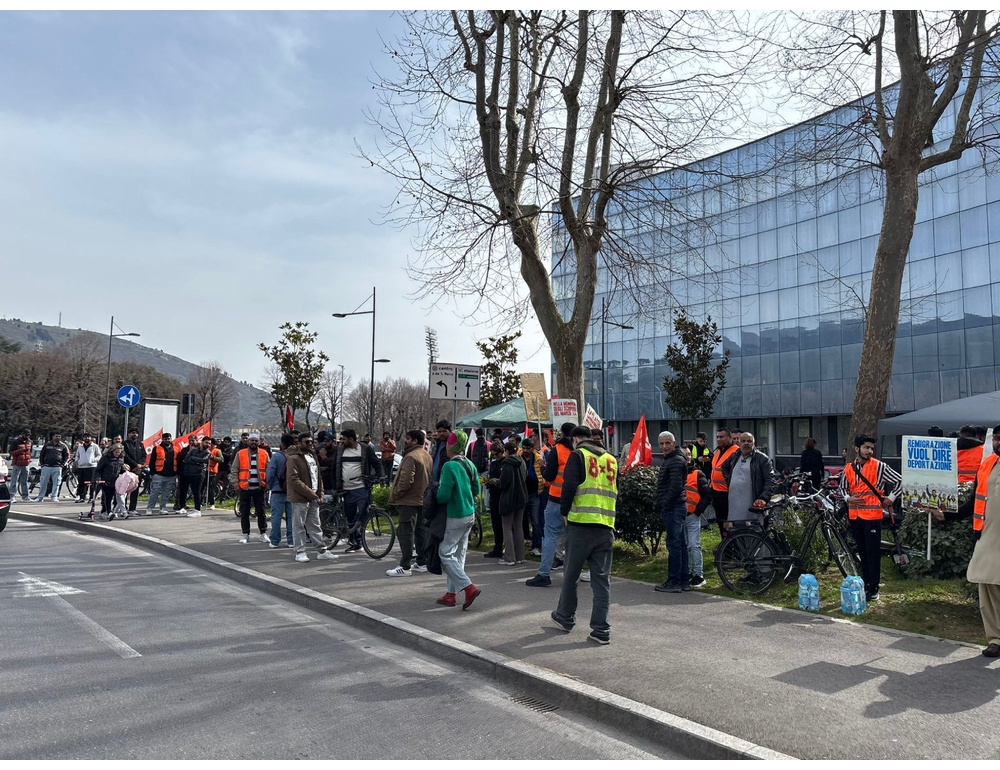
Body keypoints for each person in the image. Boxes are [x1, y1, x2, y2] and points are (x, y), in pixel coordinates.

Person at [550, 425, 618, 645]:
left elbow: (568, 486)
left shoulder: (578, 455)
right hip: (606, 526)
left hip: (580, 525)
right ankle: (601, 629)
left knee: (571, 576)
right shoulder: (611, 459)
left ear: (575, 440)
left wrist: (564, 512)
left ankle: (565, 617)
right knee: (601, 582)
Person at [840, 434, 901, 603]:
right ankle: (865, 584)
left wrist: (891, 498)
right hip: (855, 515)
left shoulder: (879, 466)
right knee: (861, 551)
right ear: (856, 449)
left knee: (872, 553)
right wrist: (847, 499)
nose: (869, 451)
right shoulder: (849, 468)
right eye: (866, 447)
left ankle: (873, 588)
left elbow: (900, 481)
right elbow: (842, 488)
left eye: (871, 448)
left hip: (873, 516)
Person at [434, 431, 481, 609]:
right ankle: (451, 594)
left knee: (445, 553)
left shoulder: (449, 467)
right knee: (459, 554)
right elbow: (476, 490)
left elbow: (443, 496)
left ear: (451, 446)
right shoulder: (470, 464)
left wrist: (435, 495)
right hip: (469, 513)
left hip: (455, 514)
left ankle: (468, 587)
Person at [527, 422, 576, 587]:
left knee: (550, 537)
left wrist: (542, 467)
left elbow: (549, 476)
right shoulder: (580, 451)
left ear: (561, 434)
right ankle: (571, 574)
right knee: (572, 539)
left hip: (556, 499)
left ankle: (543, 574)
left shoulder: (558, 450)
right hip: (576, 501)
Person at [966, 426, 1000, 657]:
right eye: (997, 438)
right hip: (987, 535)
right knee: (986, 586)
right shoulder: (988, 464)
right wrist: (945, 513)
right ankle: (996, 639)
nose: (999, 442)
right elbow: (972, 502)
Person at [285, 432, 338, 563]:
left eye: (311, 441)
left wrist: (320, 493)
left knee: (315, 525)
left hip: (313, 497)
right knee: (299, 526)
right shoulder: (294, 458)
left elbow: (318, 477)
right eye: (306, 442)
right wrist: (312, 494)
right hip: (300, 498)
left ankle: (322, 550)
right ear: (299, 443)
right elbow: (293, 480)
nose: (310, 444)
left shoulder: (312, 456)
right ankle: (300, 552)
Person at [386, 429, 433, 576]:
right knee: (421, 532)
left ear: (414, 441)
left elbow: (406, 480)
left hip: (409, 500)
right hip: (422, 499)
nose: (404, 441)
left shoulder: (410, 456)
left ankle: (405, 566)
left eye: (407, 438)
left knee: (406, 532)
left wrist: (397, 493)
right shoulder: (426, 455)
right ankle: (422, 561)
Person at [335, 428, 384, 552]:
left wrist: (381, 476)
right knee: (350, 517)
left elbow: (376, 463)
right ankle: (354, 542)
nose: (342, 441)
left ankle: (360, 539)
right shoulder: (340, 450)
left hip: (361, 488)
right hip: (346, 489)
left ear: (351, 439)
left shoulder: (364, 449)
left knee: (362, 513)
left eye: (344, 439)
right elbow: (334, 467)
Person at [654, 431, 690, 593]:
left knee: (674, 544)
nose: (664, 446)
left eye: (667, 443)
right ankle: (683, 580)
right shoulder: (673, 459)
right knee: (680, 544)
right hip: (676, 506)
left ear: (674, 443)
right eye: (661, 444)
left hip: (674, 507)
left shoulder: (675, 460)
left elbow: (675, 486)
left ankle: (675, 581)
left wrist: (665, 504)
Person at [721, 432, 777, 527]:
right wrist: (730, 479)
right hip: (734, 504)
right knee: (735, 530)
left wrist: (763, 498)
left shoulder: (762, 459)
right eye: (743, 441)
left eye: (749, 441)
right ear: (739, 443)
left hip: (752, 504)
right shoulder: (735, 456)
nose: (746, 443)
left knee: (752, 531)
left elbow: (770, 479)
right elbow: (724, 467)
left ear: (754, 443)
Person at [683, 446, 712, 587]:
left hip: (692, 515)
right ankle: (688, 573)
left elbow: (707, 494)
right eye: (685, 455)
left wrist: (698, 511)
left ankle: (699, 575)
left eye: (689, 454)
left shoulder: (697, 473)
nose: (688, 457)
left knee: (694, 545)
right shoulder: (677, 472)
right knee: (685, 546)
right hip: (680, 516)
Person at [234, 432, 269, 543]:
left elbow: (269, 470)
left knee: (261, 512)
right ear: (248, 441)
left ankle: (263, 533)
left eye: (256, 440)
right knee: (244, 512)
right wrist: (235, 484)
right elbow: (234, 470)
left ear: (259, 442)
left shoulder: (264, 453)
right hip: (245, 488)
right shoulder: (240, 453)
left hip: (259, 488)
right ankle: (245, 534)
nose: (253, 442)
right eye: (251, 440)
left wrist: (267, 484)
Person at [499, 441, 528, 566]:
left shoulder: (507, 464)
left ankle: (509, 557)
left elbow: (504, 483)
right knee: (518, 526)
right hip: (522, 496)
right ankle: (520, 555)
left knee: (507, 526)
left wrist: (495, 482)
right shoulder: (522, 462)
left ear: (506, 451)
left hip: (509, 497)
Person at [709, 427, 739, 534]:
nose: (719, 439)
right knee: (721, 522)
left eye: (722, 437)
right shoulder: (718, 451)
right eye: (717, 437)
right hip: (716, 492)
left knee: (728, 522)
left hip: (727, 494)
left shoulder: (735, 451)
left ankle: (730, 545)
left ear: (730, 437)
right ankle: (725, 544)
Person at [266, 434, 294, 548]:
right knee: (292, 517)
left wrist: (271, 486)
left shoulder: (277, 456)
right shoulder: (296, 456)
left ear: (282, 443)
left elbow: (270, 473)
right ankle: (291, 540)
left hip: (278, 490)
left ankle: (275, 540)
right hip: (292, 491)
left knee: (276, 516)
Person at [521, 439, 545, 556]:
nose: (525, 451)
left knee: (535, 521)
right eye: (524, 448)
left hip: (534, 493)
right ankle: (519, 544)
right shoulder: (518, 457)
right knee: (520, 520)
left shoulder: (538, 458)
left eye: (528, 448)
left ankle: (536, 546)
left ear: (532, 448)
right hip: (521, 493)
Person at [174, 437, 210, 515]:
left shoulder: (207, 452)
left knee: (196, 492)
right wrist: (196, 460)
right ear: (202, 442)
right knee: (183, 490)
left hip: (199, 473)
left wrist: (193, 458)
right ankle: (182, 507)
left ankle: (197, 510)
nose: (208, 445)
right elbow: (185, 459)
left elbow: (203, 460)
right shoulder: (193, 450)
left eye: (209, 443)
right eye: (206, 442)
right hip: (187, 472)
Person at [482, 442, 505, 558]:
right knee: (495, 523)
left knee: (503, 524)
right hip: (494, 494)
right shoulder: (494, 463)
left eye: (497, 454)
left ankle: (504, 546)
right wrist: (487, 481)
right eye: (494, 454)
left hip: (502, 495)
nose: (495, 457)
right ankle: (497, 547)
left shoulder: (505, 463)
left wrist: (497, 481)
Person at [145, 433, 178, 515]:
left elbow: (178, 461)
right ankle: (150, 508)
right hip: (159, 474)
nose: (167, 440)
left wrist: (176, 473)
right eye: (165, 438)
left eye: (169, 438)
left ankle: (162, 508)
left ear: (171, 439)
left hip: (171, 474)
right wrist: (153, 473)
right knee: (155, 492)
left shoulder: (176, 449)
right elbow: (152, 461)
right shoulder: (156, 448)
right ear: (162, 439)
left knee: (166, 493)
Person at [95, 444, 125, 520]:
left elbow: (121, 470)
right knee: (108, 497)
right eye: (116, 452)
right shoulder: (105, 458)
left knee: (117, 497)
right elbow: (98, 469)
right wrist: (98, 478)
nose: (117, 454)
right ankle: (108, 511)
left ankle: (114, 511)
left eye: (119, 452)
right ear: (112, 451)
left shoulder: (121, 459)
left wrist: (126, 470)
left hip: (116, 481)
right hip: (106, 480)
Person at [121, 428, 145, 514]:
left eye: (136, 433)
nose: (134, 434)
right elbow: (126, 456)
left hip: (138, 470)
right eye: (132, 433)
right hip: (128, 470)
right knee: (125, 490)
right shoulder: (124, 444)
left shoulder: (140, 444)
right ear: (128, 434)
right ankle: (122, 508)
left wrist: (140, 465)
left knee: (135, 489)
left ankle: (132, 509)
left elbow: (144, 455)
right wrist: (135, 465)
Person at [73, 433, 101, 503]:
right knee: (81, 482)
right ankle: (81, 496)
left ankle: (91, 497)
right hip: (81, 466)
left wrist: (93, 460)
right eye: (85, 437)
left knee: (92, 482)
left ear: (91, 438)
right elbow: (77, 455)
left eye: (88, 437)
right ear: (83, 438)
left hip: (92, 466)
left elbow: (99, 455)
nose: (87, 438)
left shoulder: (95, 446)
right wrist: (78, 461)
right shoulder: (80, 447)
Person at [8, 430, 31, 502]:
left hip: (26, 464)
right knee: (14, 481)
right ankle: (12, 496)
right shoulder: (15, 442)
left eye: (28, 435)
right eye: (26, 435)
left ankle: (25, 496)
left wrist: (29, 459)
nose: (27, 437)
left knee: (25, 481)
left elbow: (30, 452)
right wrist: (21, 451)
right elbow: (11, 452)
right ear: (22, 434)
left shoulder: (30, 442)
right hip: (17, 464)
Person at [204, 438, 225, 510]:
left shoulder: (217, 451)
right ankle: (200, 502)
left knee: (211, 488)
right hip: (204, 470)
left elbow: (221, 459)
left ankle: (212, 503)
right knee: (202, 487)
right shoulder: (205, 450)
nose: (209, 445)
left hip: (212, 471)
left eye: (211, 444)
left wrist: (212, 458)